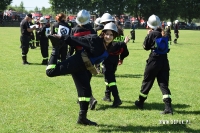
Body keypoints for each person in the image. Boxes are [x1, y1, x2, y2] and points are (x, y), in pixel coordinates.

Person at [46, 22, 130, 126]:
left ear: (115, 36)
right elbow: (77, 40)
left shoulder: (110, 46)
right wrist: (61, 37)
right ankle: (55, 48)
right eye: (107, 34)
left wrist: (125, 44)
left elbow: (121, 47)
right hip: (76, 62)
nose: (108, 36)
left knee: (86, 92)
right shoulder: (95, 39)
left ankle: (82, 119)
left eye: (111, 34)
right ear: (103, 34)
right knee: (50, 72)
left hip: (84, 68)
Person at [134, 14, 173, 115]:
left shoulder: (152, 34)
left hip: (154, 61)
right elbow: (168, 49)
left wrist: (148, 35)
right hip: (164, 61)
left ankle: (140, 102)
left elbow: (145, 47)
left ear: (149, 24)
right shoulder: (165, 34)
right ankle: (168, 107)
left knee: (147, 81)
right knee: (163, 84)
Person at [69, 10, 98, 110]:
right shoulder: (92, 30)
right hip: (89, 58)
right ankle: (82, 98)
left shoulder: (74, 30)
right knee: (86, 79)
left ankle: (90, 98)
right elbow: (95, 45)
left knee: (82, 82)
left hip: (78, 58)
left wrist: (69, 56)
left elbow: (71, 44)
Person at [102, 24, 129, 107]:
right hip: (116, 59)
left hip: (108, 59)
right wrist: (121, 58)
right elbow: (124, 49)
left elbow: (112, 46)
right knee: (109, 77)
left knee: (110, 79)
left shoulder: (108, 36)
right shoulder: (120, 36)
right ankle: (107, 96)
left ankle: (116, 99)